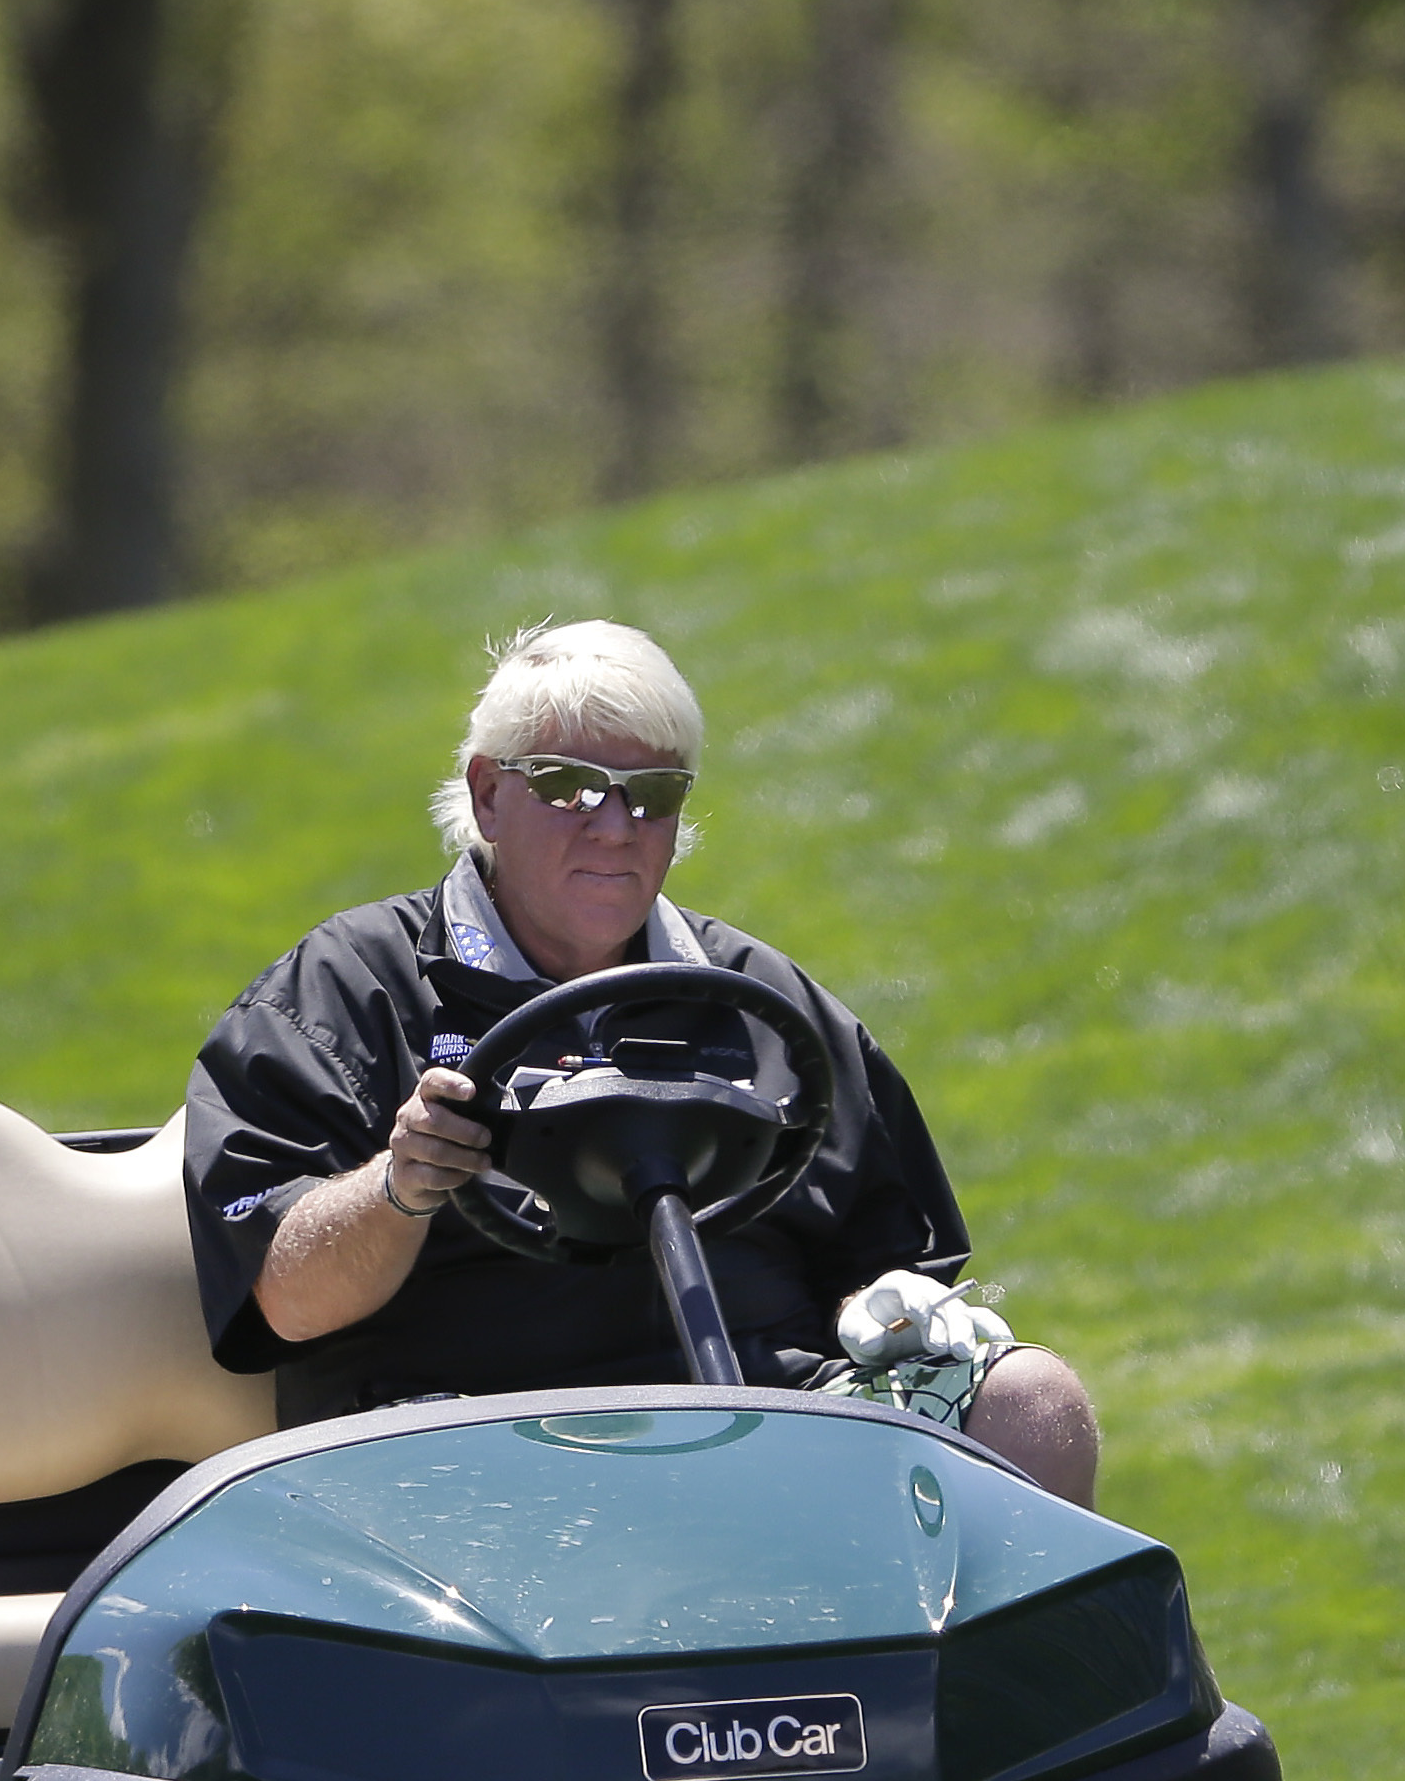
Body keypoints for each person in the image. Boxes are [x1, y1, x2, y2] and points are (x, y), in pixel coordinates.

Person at [182, 620, 1103, 1504]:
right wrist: (401, 1187)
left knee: (1032, 1405)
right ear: (487, 795)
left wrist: (893, 1313)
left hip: (766, 1418)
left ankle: (1012, 1671)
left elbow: (897, 1265)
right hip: (468, 1442)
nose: (616, 826)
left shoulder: (760, 998)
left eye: (653, 793)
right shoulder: (348, 990)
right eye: (570, 785)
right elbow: (283, 1298)